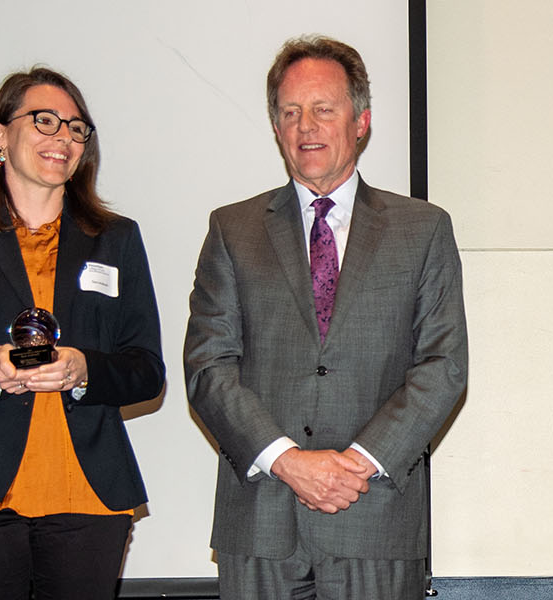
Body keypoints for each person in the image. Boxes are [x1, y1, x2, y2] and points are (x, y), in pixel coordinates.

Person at [184, 34, 468, 599]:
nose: (306, 125)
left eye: (323, 109)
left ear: (360, 121)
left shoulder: (423, 229)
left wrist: (356, 464)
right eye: (290, 112)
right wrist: (288, 461)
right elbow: (208, 368)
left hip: (376, 517)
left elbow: (443, 367)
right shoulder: (231, 229)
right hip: (262, 519)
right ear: (275, 128)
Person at [0, 67, 165, 599]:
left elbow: (146, 371)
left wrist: (86, 370)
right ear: (1, 134)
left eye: (75, 128)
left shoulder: (116, 239)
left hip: (88, 493)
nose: (62, 137)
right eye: (44, 121)